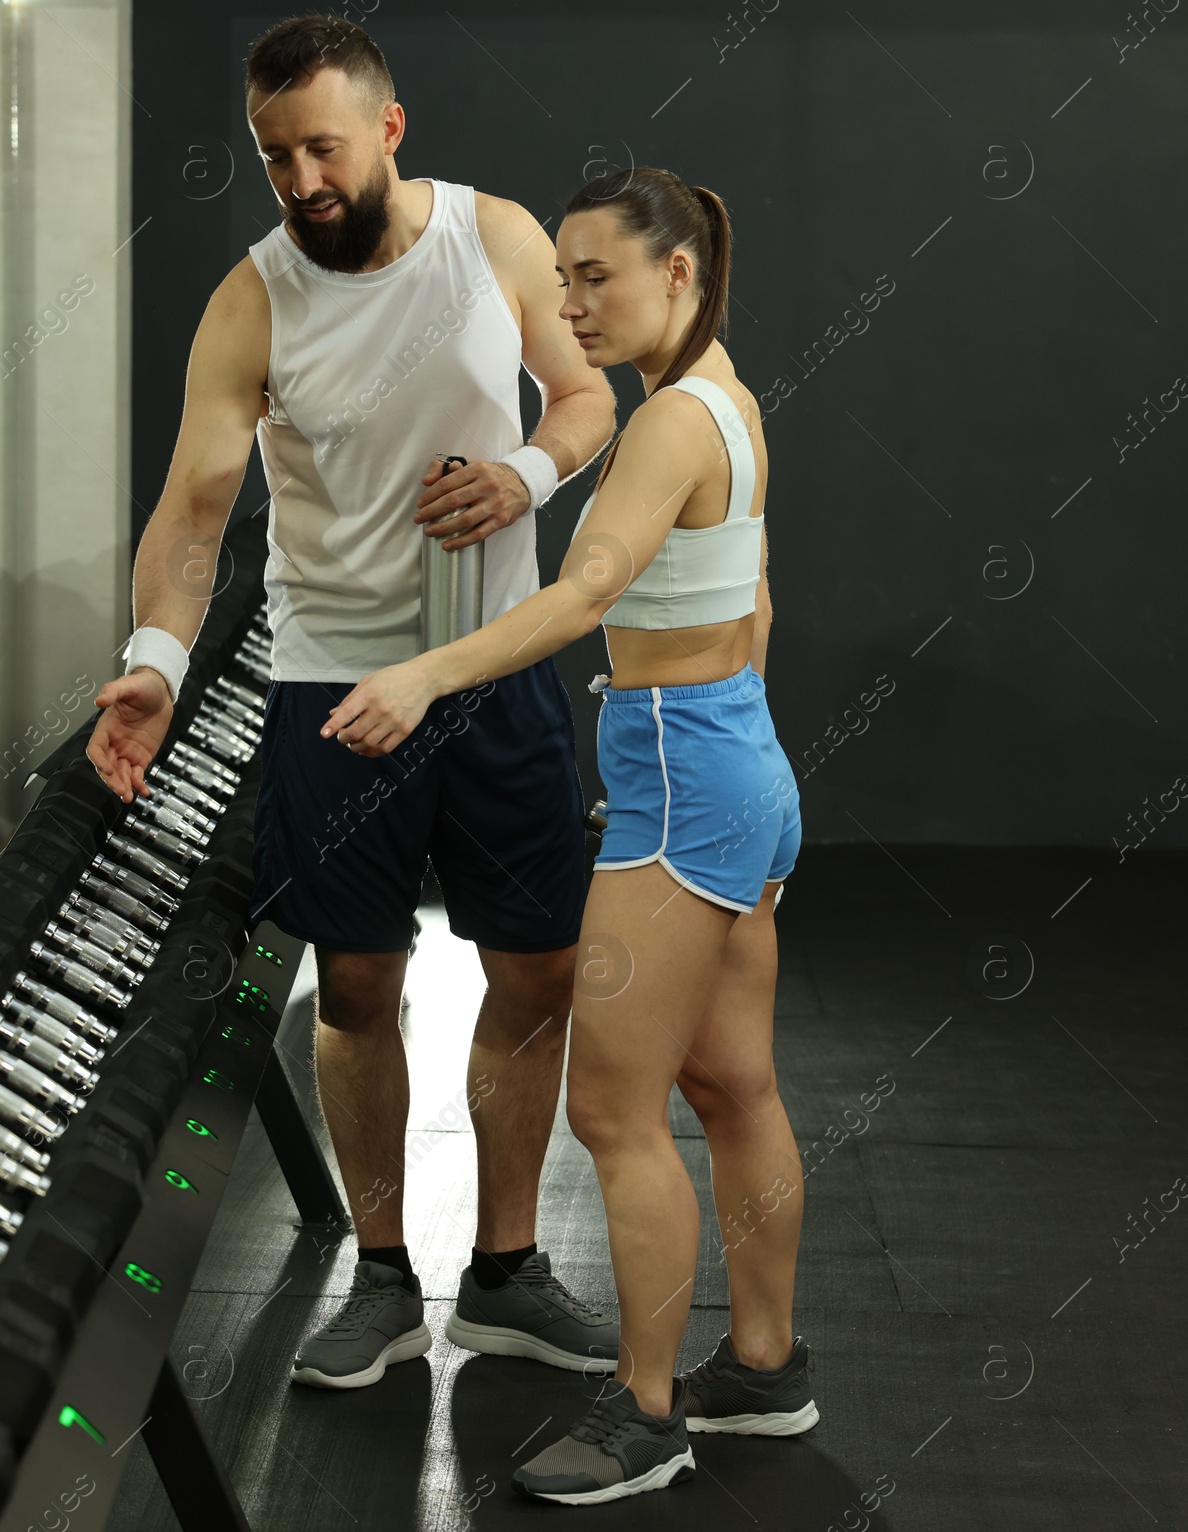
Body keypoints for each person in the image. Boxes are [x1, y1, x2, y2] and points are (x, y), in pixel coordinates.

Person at [85, 15, 625, 1390]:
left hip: (491, 665)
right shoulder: (252, 301)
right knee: (359, 983)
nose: (301, 179)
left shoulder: (494, 239)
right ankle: (382, 1277)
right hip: (334, 684)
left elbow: (583, 396)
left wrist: (527, 476)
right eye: (276, 157)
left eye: (324, 146)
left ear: (388, 130)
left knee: (539, 970)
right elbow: (195, 508)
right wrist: (152, 657)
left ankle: (505, 1270)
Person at [320, 166, 814, 1506]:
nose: (572, 302)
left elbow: (588, 591)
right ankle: (764, 1368)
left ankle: (647, 1415)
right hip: (739, 762)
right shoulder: (728, 402)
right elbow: (752, 598)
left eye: (599, 277)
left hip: (681, 786)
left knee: (615, 1109)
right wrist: (737, 753)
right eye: (563, 278)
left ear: (680, 275)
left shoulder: (663, 431)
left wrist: (430, 673)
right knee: (732, 1089)